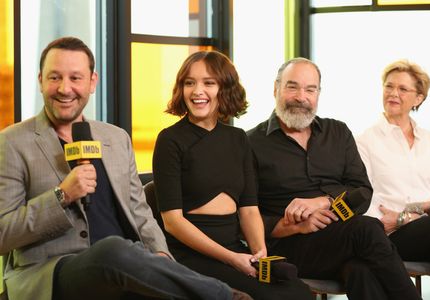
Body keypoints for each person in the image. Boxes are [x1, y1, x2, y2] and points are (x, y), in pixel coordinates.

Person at [0, 37, 252, 300]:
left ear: (92, 82)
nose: (65, 88)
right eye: (55, 77)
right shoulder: (12, 142)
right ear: (41, 80)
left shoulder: (116, 138)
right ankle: (225, 297)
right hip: (55, 270)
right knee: (112, 250)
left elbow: (140, 211)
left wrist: (161, 256)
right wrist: (62, 196)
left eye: (75, 78)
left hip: (127, 267)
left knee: (124, 255)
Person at [247, 57, 421, 300]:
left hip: (343, 236)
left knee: (360, 271)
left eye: (310, 89)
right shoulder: (250, 143)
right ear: (276, 89)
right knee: (368, 228)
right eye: (292, 86)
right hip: (292, 247)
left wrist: (325, 202)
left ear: (318, 93)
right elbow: (246, 214)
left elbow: (362, 192)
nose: (301, 96)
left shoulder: (337, 132)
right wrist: (293, 225)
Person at [152, 51, 314, 300]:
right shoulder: (170, 140)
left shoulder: (238, 139)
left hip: (235, 248)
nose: (197, 91)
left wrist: (260, 253)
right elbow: (172, 222)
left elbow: (249, 209)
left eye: (209, 83)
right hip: (191, 254)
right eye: (189, 82)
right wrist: (233, 259)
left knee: (299, 293)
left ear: (224, 88)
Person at [356, 59, 430, 298]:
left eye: (402, 89)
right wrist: (416, 212)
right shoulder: (364, 141)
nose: (393, 93)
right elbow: (367, 201)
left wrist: (413, 211)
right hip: (392, 236)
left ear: (418, 98)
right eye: (389, 86)